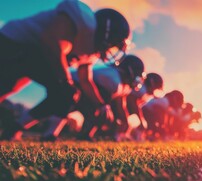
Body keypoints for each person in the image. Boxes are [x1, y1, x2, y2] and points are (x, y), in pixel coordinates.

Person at [0, 0, 130, 140]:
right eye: (114, 46)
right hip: (13, 43)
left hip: (34, 56)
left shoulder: (91, 54)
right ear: (107, 32)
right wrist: (66, 80)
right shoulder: (84, 21)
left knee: (67, 95)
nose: (111, 51)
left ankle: (14, 129)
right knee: (64, 91)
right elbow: (50, 40)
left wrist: (101, 105)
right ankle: (17, 129)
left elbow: (86, 80)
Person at [41, 54, 144, 141]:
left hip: (81, 88)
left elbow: (121, 104)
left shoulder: (123, 84)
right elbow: (95, 92)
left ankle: (85, 134)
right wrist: (102, 107)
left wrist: (125, 121)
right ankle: (51, 132)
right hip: (69, 83)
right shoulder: (113, 79)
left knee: (103, 110)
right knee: (97, 108)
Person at [127, 72, 164, 140]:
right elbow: (131, 101)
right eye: (155, 87)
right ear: (151, 83)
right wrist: (141, 119)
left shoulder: (143, 90)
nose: (154, 90)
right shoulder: (142, 90)